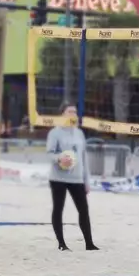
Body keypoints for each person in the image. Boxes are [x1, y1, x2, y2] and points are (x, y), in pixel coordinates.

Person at [45, 106, 98, 251]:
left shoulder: (79, 133)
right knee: (58, 209)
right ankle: (61, 244)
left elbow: (84, 158)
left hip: (77, 178)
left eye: (75, 111)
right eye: (69, 111)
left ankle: (89, 244)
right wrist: (60, 158)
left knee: (84, 210)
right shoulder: (55, 132)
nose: (73, 114)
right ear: (62, 114)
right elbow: (49, 154)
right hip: (58, 178)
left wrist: (87, 181)